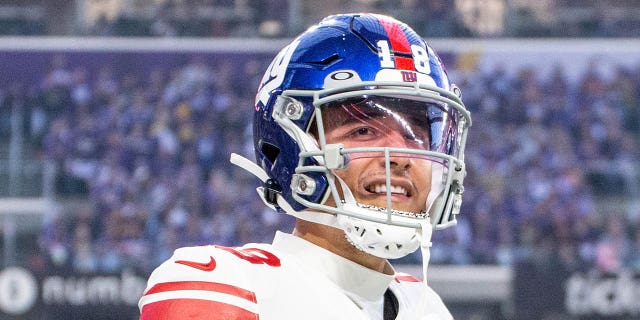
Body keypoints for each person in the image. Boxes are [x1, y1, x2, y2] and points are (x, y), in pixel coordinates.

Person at [138, 13, 471, 319]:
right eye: (364, 130)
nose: (401, 156)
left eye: (416, 136)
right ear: (291, 148)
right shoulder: (231, 288)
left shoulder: (425, 307)